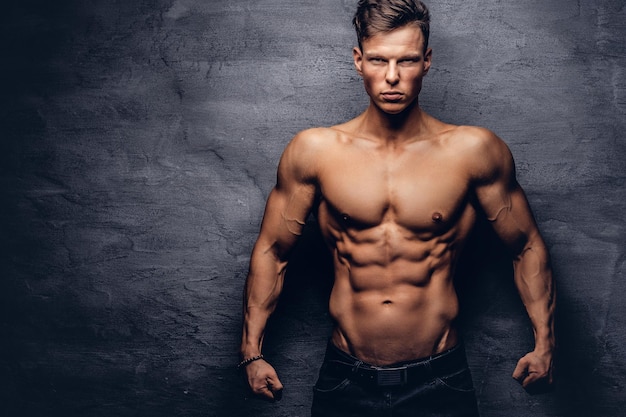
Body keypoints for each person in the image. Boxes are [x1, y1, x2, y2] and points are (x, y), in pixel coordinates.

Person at [239, 0, 556, 415]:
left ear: (426, 61)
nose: (392, 77)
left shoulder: (473, 151)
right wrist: (251, 351)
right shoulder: (314, 152)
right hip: (345, 378)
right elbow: (272, 250)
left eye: (406, 61)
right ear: (358, 60)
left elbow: (526, 245)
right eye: (378, 60)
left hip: (440, 378)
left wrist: (545, 345)